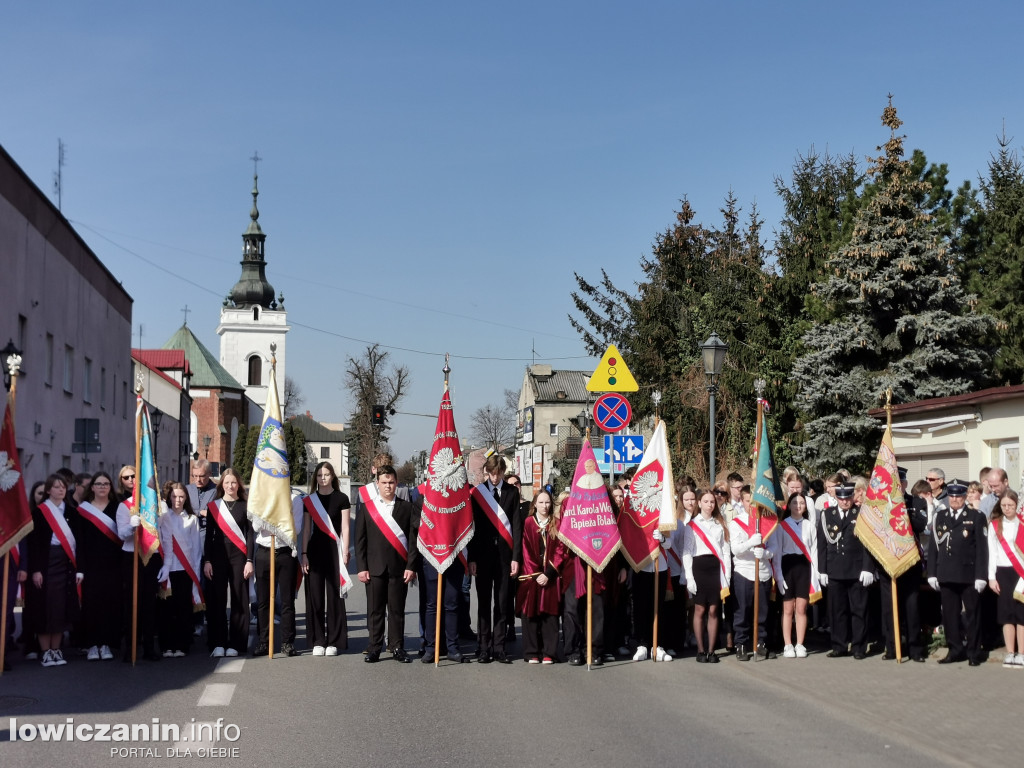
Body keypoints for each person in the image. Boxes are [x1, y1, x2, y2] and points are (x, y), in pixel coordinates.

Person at [355, 465, 420, 663]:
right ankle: (374, 647)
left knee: (396, 609)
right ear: (377, 484)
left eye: (391, 482)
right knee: (375, 610)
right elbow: (360, 541)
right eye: (384, 482)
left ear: (396, 483)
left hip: (399, 568)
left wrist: (411, 566)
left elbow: (412, 540)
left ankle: (397, 646)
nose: (388, 486)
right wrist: (361, 567)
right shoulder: (367, 508)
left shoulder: (407, 508)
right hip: (374, 568)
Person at [928, 479, 988, 665]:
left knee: (972, 615)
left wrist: (981, 576)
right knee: (950, 616)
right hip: (946, 574)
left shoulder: (976, 516)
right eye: (952, 495)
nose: (954, 499)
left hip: (968, 575)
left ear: (965, 497)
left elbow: (982, 549)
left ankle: (973, 652)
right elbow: (933, 547)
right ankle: (955, 650)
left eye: (958, 496)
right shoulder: (941, 516)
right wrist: (932, 572)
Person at [468, 454, 521, 664]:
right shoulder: (477, 494)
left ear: (503, 472)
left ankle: (499, 648)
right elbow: (472, 528)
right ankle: (483, 647)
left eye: (498, 473)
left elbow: (516, 525)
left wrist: (516, 557)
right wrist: (471, 558)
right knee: (483, 602)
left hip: (504, 557)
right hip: (482, 556)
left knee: (501, 602)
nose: (495, 477)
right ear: (486, 473)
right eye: (491, 473)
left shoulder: (511, 493)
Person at [25, 474, 83, 667]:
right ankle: (45, 651)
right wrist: (36, 570)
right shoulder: (40, 513)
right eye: (56, 487)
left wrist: (79, 569)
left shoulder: (72, 512)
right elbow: (33, 545)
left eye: (63, 487)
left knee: (60, 608)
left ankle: (57, 650)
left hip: (65, 564)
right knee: (44, 608)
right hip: (45, 564)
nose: (61, 490)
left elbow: (79, 543)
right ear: (48, 490)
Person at [874, 467, 928, 662]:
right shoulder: (880, 505)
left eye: (901, 483)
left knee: (911, 606)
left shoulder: (917, 502)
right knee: (889, 608)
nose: (898, 486)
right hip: (888, 561)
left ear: (904, 484)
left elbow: (921, 525)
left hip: (909, 561)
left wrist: (902, 512)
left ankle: (915, 649)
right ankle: (892, 647)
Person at [300, 462, 351, 656]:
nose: (323, 478)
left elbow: (345, 528)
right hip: (314, 550)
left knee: (334, 596)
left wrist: (345, 551)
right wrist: (304, 554)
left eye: (327, 474)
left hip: (334, 550)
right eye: (320, 475)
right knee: (315, 596)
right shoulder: (309, 501)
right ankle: (318, 639)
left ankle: (334, 640)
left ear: (333, 476)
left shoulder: (342, 498)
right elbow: (306, 530)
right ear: (316, 478)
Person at [818, 482, 873, 659]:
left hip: (856, 570)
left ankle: (859, 647)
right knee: (837, 611)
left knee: (859, 610)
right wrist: (822, 570)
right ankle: (839, 645)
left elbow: (868, 544)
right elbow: (822, 545)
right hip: (835, 570)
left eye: (847, 498)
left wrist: (867, 568)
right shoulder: (828, 514)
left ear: (852, 497)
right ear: (836, 498)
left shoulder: (861, 514)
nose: (844, 502)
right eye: (841, 498)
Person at [203, 468, 253, 658]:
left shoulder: (246, 505)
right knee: (217, 600)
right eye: (227, 482)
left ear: (238, 484)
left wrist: (249, 560)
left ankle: (237, 642)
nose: (230, 486)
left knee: (240, 599)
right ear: (221, 485)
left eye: (233, 482)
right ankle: (218, 642)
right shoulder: (213, 507)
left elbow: (249, 535)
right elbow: (209, 536)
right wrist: (207, 560)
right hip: (217, 557)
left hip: (239, 556)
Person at [250, 489, 304, 658]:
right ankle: (264, 641)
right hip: (264, 551)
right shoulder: (262, 496)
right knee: (263, 600)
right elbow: (256, 526)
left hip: (286, 552)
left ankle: (287, 642)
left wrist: (274, 524)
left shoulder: (294, 499)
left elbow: (296, 527)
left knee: (287, 600)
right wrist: (272, 519)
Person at [728, 485, 778, 661]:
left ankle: (760, 642)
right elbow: (735, 549)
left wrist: (765, 553)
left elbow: (774, 548)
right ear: (742, 501)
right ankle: (741, 644)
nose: (752, 505)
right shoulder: (736, 523)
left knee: (762, 611)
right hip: (744, 572)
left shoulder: (768, 522)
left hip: (763, 571)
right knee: (742, 611)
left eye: (755, 501)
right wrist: (750, 543)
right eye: (749, 501)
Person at [77, 471, 122, 661]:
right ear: (92, 487)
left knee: (110, 605)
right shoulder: (83, 510)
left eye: (106, 484)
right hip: (91, 565)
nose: (102, 487)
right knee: (91, 605)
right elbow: (79, 541)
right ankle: (93, 645)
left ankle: (106, 644)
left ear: (110, 487)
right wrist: (80, 568)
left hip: (113, 565)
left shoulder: (117, 507)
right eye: (98, 483)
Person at [516, 490, 564, 664]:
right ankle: (531, 652)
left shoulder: (556, 523)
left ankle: (549, 652)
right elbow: (526, 549)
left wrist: (549, 573)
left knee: (550, 614)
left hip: (550, 576)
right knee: (530, 613)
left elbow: (560, 550)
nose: (545, 506)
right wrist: (536, 574)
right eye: (541, 502)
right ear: (535, 504)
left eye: (548, 503)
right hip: (532, 575)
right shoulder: (528, 523)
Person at [683, 490, 731, 663]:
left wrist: (727, 575)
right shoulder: (692, 525)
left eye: (712, 501)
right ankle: (701, 650)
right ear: (699, 503)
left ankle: (711, 651)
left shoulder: (720, 524)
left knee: (713, 610)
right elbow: (687, 551)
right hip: (699, 568)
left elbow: (725, 551)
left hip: (715, 569)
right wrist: (689, 576)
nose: (710, 504)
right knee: (700, 609)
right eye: (706, 501)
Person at [157, 483, 203, 657]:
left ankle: (182, 644)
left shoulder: (192, 519)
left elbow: (196, 548)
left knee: (183, 608)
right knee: (166, 609)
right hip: (167, 569)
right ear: (169, 498)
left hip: (185, 570)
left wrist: (195, 574)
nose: (177, 500)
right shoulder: (163, 516)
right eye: (174, 496)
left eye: (181, 496)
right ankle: (166, 645)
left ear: (186, 498)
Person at [774, 492, 820, 659]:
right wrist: (778, 574)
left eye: (801, 503)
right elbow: (777, 551)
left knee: (801, 609)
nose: (798, 506)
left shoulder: (809, 525)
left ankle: (800, 644)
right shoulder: (782, 525)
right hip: (787, 567)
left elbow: (814, 551)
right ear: (789, 505)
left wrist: (816, 573)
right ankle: (788, 644)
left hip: (804, 567)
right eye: (794, 502)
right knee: (787, 609)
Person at [988, 490, 1024, 669]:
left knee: (1021, 615)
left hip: (1021, 573)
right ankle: (1010, 652)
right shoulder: (995, 525)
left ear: (1016, 505)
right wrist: (991, 577)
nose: (1007, 508)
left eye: (1010, 505)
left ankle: (1022, 654)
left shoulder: (1023, 523)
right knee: (1007, 614)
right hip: (1002, 572)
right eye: (1004, 505)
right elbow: (992, 553)